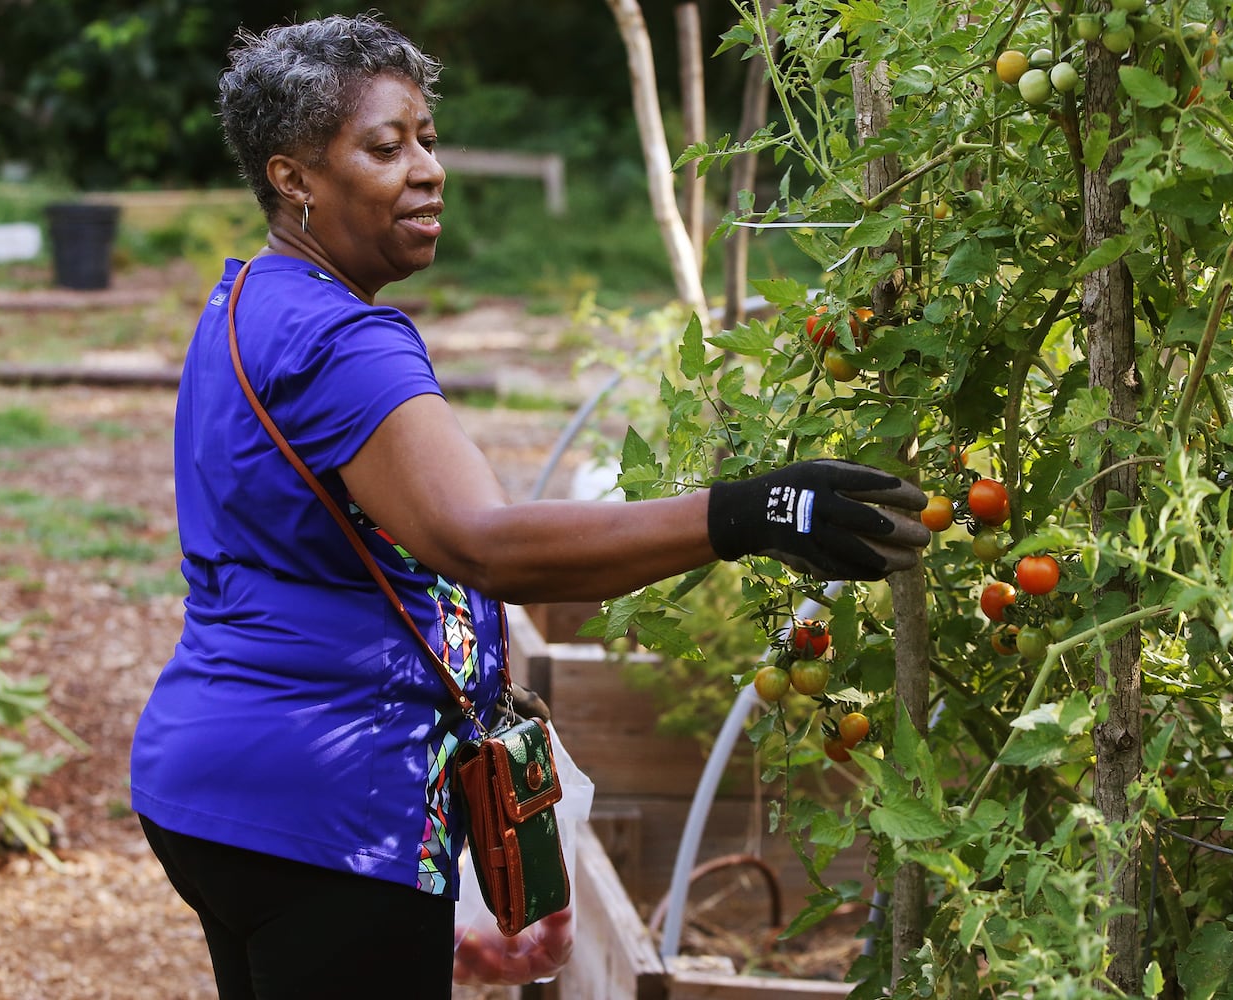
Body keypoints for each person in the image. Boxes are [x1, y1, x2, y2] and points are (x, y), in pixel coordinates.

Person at [129, 13, 931, 1000]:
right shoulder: (347, 345)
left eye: (427, 137)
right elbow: (484, 543)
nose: (428, 169)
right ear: (293, 176)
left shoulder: (247, 302)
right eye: (385, 147)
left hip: (214, 784)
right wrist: (745, 514)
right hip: (333, 806)